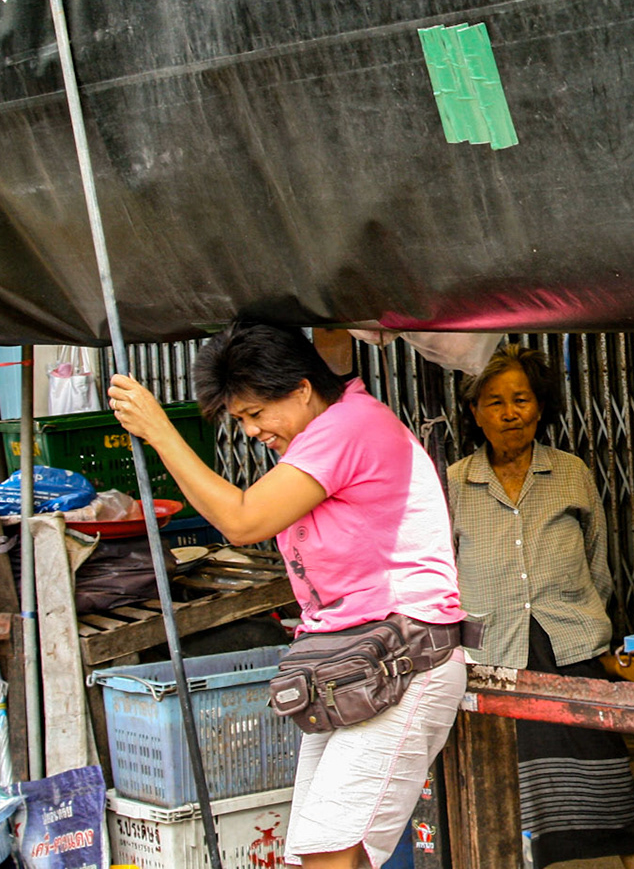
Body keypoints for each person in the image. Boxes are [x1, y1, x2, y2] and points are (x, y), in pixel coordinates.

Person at [109, 322, 466, 869]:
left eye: (255, 414)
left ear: (301, 389)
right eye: (241, 419)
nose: (251, 431)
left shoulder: (348, 425)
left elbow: (242, 519)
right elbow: (331, 344)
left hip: (402, 654)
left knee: (329, 852)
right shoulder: (336, 411)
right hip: (351, 658)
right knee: (317, 851)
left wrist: (161, 431)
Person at [445, 345, 634, 869]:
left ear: (539, 406)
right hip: (491, 656)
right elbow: (442, 571)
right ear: (475, 412)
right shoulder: (453, 483)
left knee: (609, 789)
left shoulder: (571, 473)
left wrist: (591, 627)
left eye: (521, 399)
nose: (510, 412)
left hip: (570, 648)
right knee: (507, 796)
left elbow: (597, 561)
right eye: (495, 402)